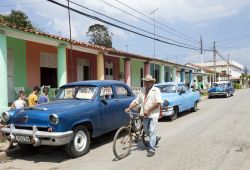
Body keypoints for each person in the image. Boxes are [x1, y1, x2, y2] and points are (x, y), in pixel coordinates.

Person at [125, 74, 162, 157]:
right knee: (146, 130)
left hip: (153, 115)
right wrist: (130, 107)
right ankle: (154, 139)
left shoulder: (156, 90)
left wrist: (148, 110)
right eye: (146, 82)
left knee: (152, 131)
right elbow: (137, 101)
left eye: (149, 82)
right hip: (144, 115)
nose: (147, 83)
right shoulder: (142, 90)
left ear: (152, 82)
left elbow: (158, 102)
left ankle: (152, 149)